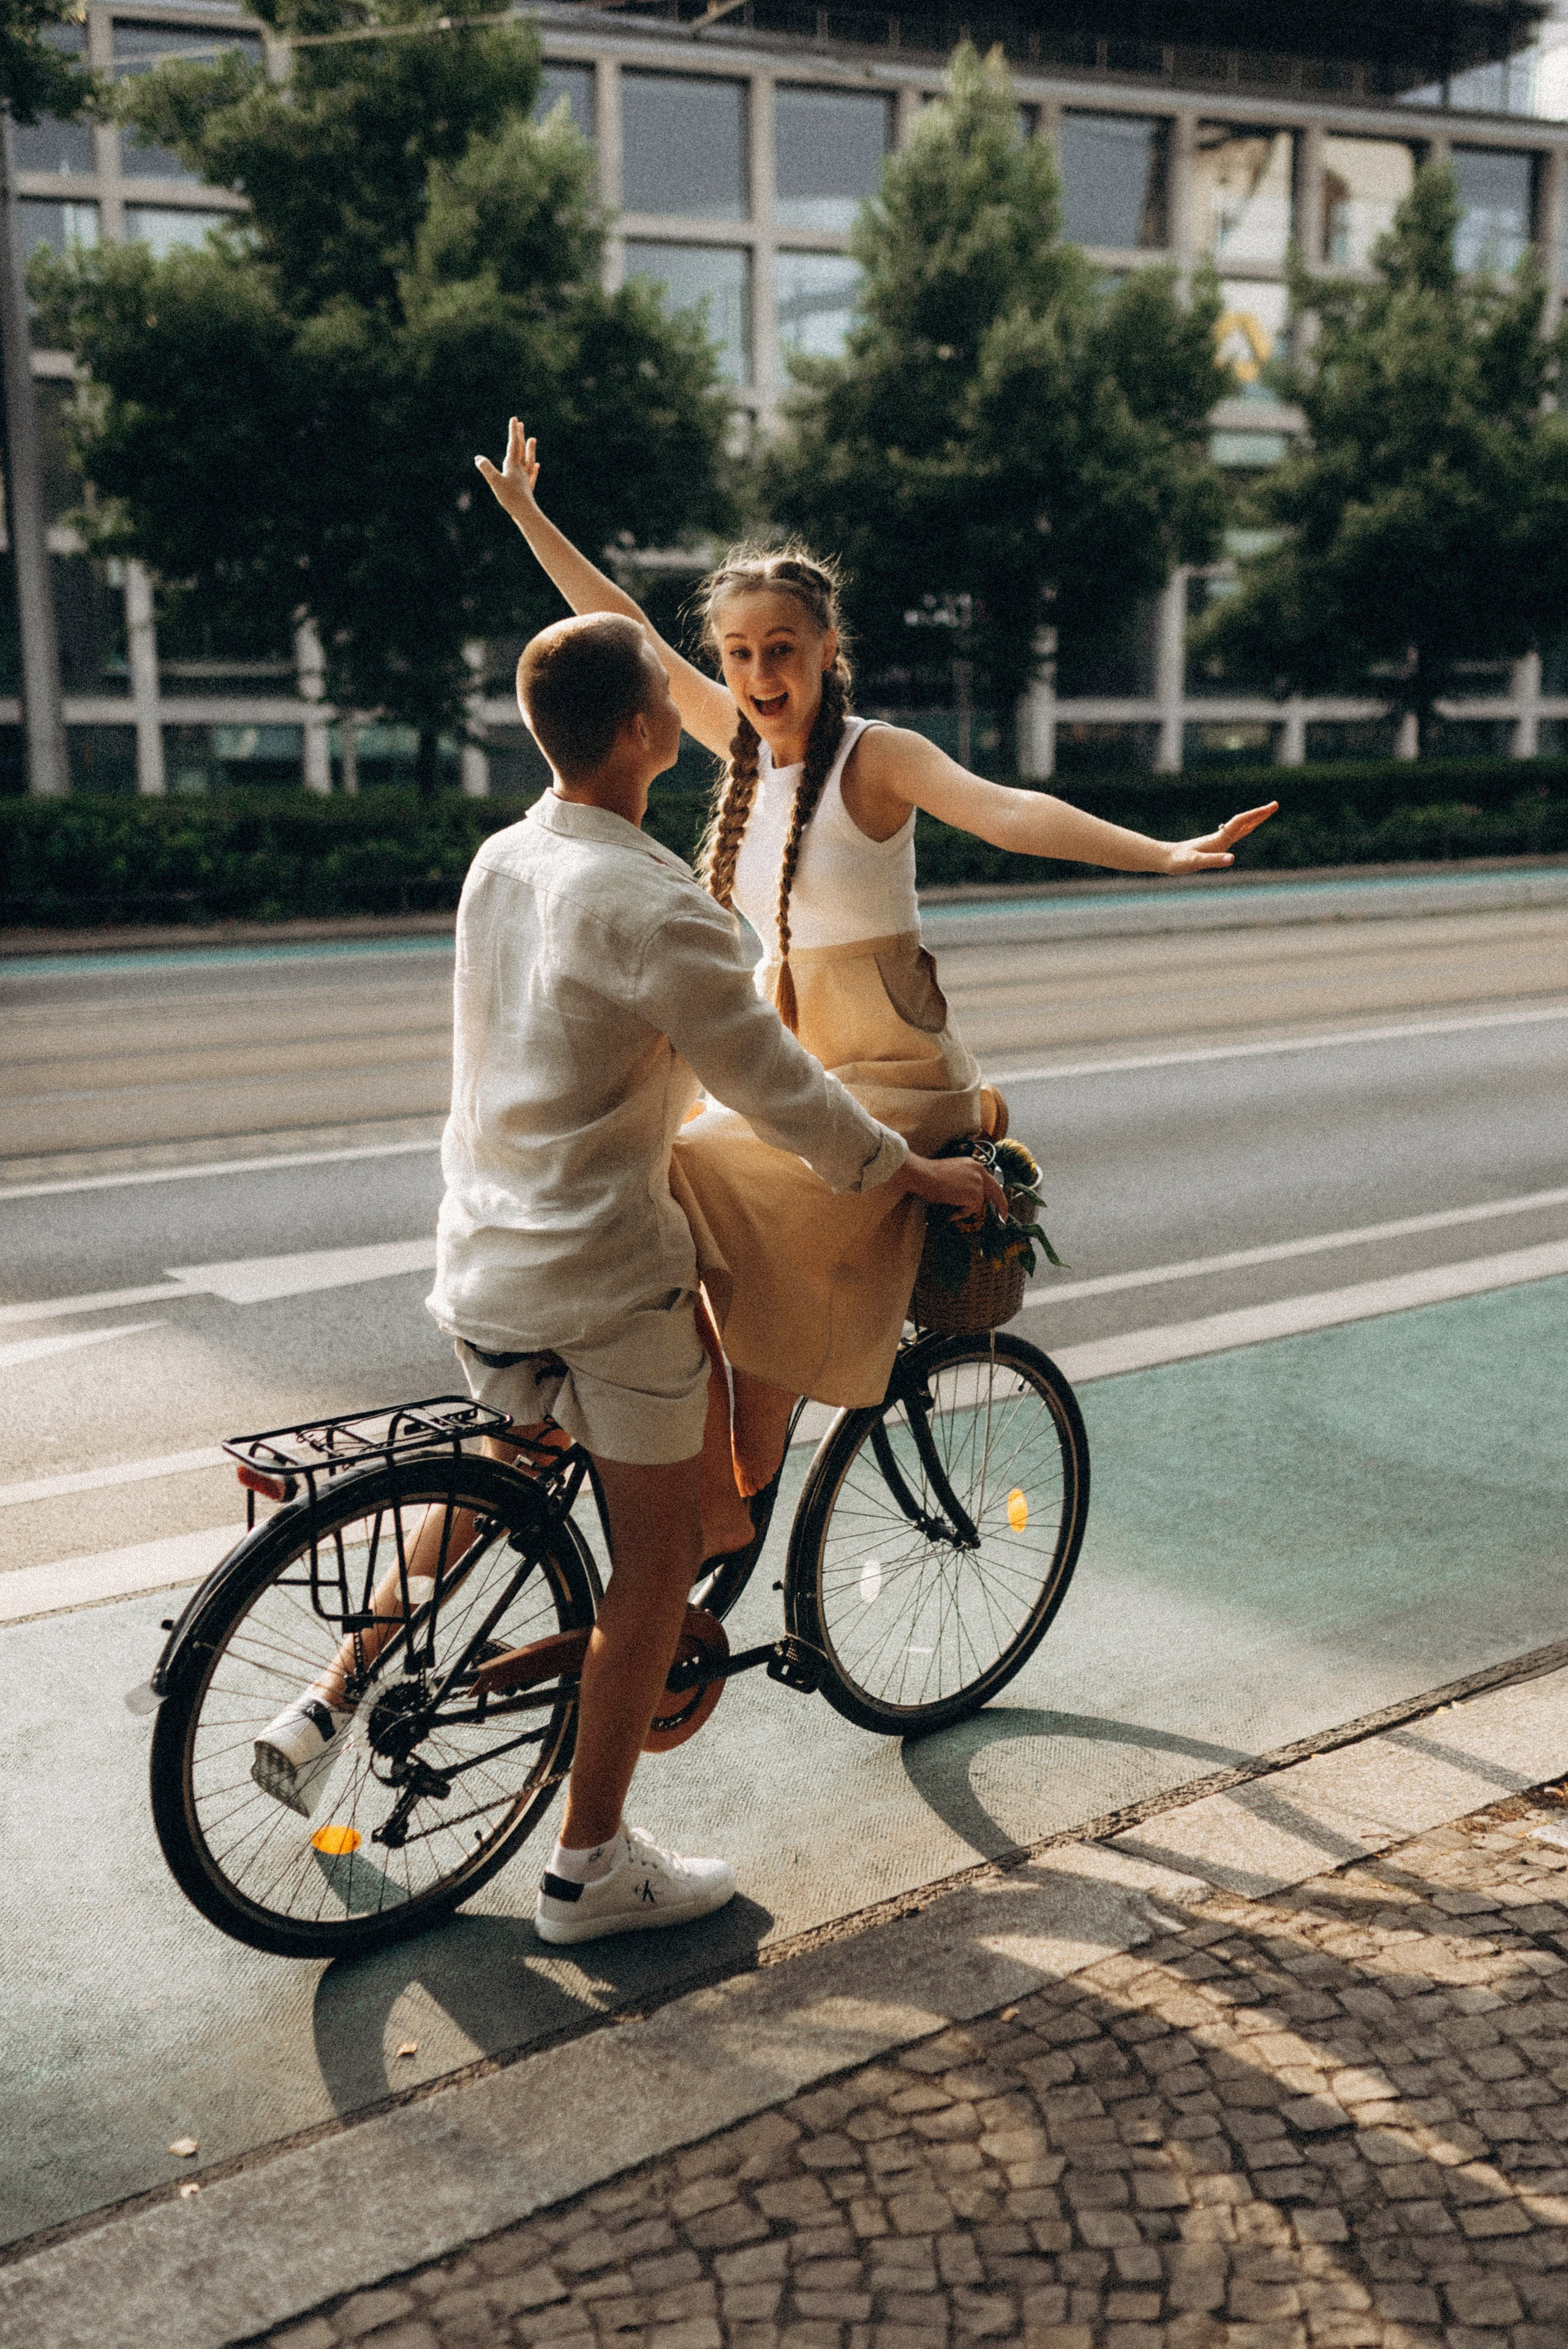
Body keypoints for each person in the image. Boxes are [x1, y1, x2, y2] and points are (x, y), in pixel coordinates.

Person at [251, 610, 1003, 1946]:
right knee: (657, 1563)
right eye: (677, 687)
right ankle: (587, 1870)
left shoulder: (505, 855)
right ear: (647, 732)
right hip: (600, 1274)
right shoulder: (656, 900)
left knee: (509, 1471)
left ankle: (322, 1700)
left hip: (484, 1253)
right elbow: (786, 1100)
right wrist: (916, 1173)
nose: (701, 697)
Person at [475, 418, 1278, 1540]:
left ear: (826, 644)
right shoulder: (740, 749)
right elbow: (624, 627)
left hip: (891, 1076)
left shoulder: (876, 758)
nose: (759, 672)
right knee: (672, 1193)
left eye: (783, 648)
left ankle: (721, 1502)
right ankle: (717, 1492)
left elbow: (1010, 812)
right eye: (740, 652)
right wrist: (527, 516)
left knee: (704, 1181)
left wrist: (1163, 851)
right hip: (793, 1071)